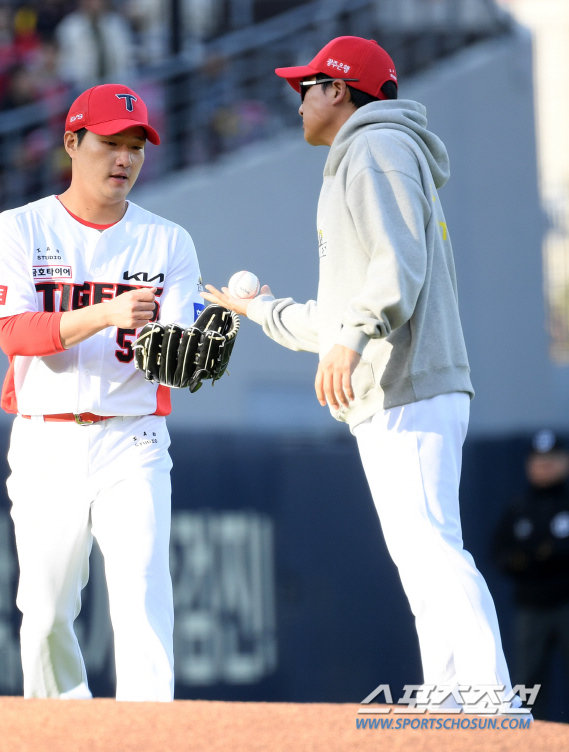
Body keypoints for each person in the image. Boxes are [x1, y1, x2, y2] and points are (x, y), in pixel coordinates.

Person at [202, 36, 522, 713]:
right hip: (399, 381)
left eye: (306, 87)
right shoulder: (370, 152)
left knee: (432, 545)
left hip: (407, 381)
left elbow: (397, 265)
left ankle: (491, 699)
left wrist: (351, 338)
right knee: (422, 551)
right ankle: (454, 698)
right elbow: (360, 299)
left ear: (339, 89)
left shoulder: (376, 147)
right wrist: (264, 311)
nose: (298, 101)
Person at [0, 83, 204, 700]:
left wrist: (198, 352)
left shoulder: (169, 241)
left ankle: (146, 737)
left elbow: (178, 360)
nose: (124, 158)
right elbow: (15, 334)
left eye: (136, 146)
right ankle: (62, 731)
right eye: (110, 143)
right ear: (73, 142)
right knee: (45, 614)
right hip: (47, 438)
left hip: (134, 438)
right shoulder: (19, 228)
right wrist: (106, 313)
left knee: (142, 601)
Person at [493, 429, 569, 719]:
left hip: (566, 602)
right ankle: (529, 743)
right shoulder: (518, 509)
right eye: (539, 460)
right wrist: (529, 560)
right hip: (531, 608)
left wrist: (552, 554)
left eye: (552, 459)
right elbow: (499, 554)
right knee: (528, 685)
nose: (545, 465)